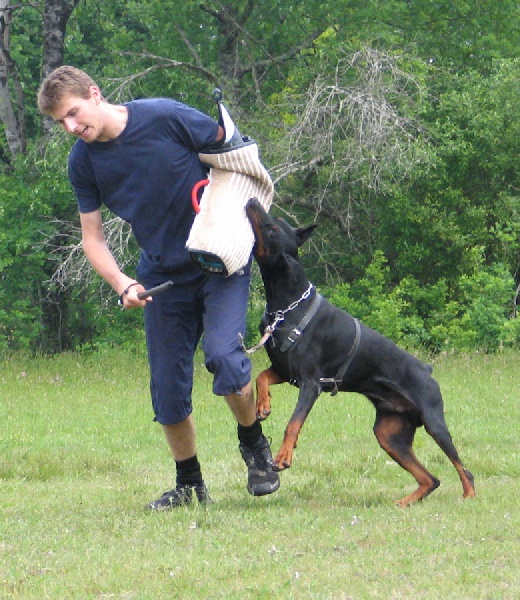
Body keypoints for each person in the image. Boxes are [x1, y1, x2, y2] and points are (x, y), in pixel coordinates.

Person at [37, 66, 280, 510]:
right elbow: (92, 239)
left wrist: (234, 224)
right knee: (167, 390)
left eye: (73, 113)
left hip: (218, 262)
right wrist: (123, 282)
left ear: (95, 94)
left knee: (225, 358)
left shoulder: (165, 116)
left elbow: (236, 158)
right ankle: (190, 486)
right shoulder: (83, 163)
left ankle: (254, 445)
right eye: (61, 122)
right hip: (160, 278)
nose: (71, 127)